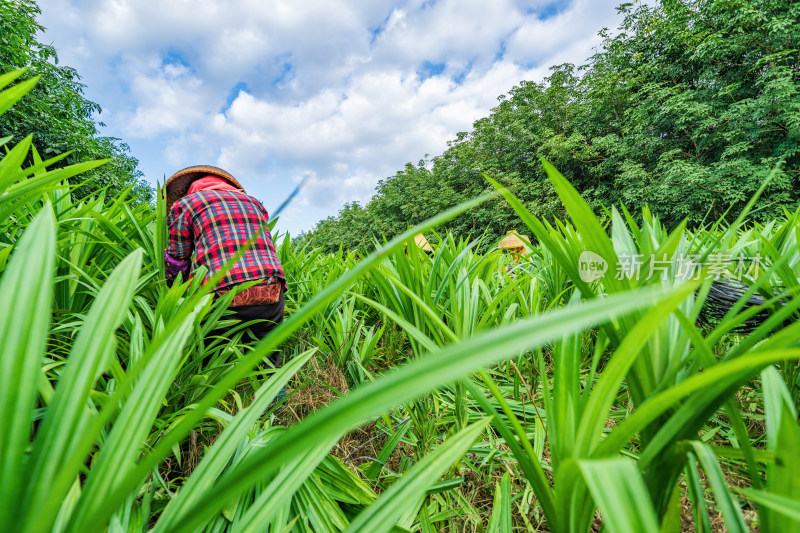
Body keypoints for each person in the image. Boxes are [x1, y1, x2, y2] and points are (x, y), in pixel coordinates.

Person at [163, 165, 286, 368]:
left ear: (191, 188)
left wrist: (174, 291)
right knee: (267, 356)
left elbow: (177, 258)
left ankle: (212, 395)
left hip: (219, 292)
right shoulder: (254, 203)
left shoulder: (185, 204)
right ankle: (274, 396)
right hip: (270, 287)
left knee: (210, 356)